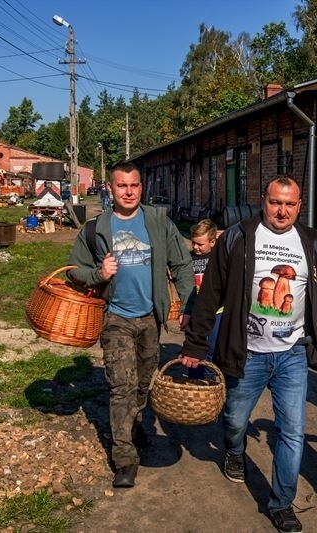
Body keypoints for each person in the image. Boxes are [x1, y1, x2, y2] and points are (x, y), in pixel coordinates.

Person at [179, 176, 317, 533]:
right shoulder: (239, 236)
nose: (282, 211)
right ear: (263, 200)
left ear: (299, 206)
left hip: (292, 353)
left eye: (290, 204)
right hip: (246, 351)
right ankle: (234, 450)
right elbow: (211, 292)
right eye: (275, 202)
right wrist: (196, 343)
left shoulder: (310, 241)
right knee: (235, 419)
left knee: (292, 432)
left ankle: (282, 503)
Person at [67, 161, 194, 489]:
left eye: (134, 185)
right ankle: (124, 458)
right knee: (121, 386)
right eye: (121, 185)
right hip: (115, 318)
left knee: (141, 383)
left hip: (151, 318)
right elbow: (74, 270)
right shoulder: (96, 228)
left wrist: (186, 303)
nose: (128, 191)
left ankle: (134, 423)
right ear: (110, 188)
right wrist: (98, 274)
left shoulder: (158, 222)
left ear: (142, 187)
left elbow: (182, 264)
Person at [180, 218, 221, 379]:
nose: (196, 247)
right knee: (194, 349)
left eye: (200, 244)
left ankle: (210, 380)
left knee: (212, 348)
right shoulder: (189, 259)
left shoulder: (219, 257)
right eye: (193, 243)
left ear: (212, 242)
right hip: (195, 311)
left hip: (217, 312)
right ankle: (195, 380)